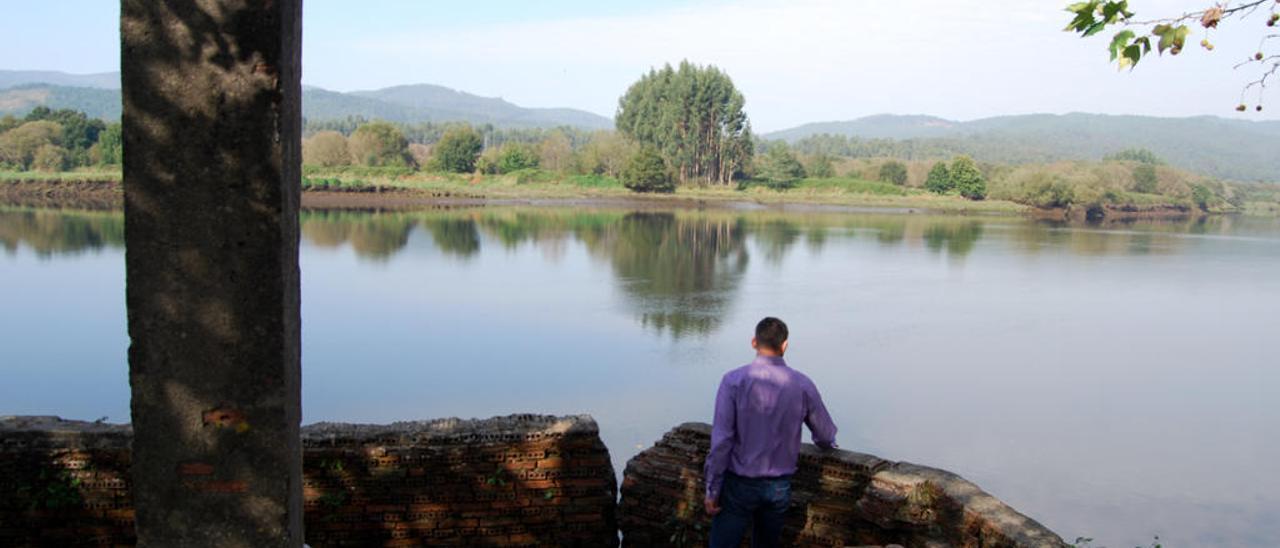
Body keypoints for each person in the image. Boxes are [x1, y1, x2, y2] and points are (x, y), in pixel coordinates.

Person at [703, 317, 838, 548]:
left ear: (754, 342)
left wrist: (712, 488)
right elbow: (825, 435)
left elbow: (722, 441)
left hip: (738, 485)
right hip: (778, 487)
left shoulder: (733, 381)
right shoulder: (802, 384)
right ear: (785, 345)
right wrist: (828, 445)